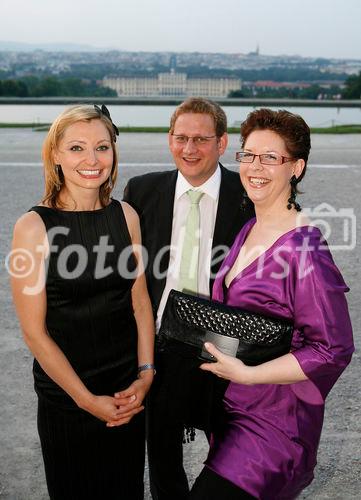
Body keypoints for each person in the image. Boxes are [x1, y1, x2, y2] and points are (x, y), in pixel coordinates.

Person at [189, 108, 355, 500]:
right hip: (231, 412)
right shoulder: (251, 226)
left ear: (296, 168)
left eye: (270, 158)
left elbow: (333, 349)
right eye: (248, 154)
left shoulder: (305, 248)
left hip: (274, 427)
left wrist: (247, 375)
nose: (254, 166)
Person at [10, 104, 155, 500]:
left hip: (126, 390)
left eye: (102, 147)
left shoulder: (127, 216)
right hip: (68, 397)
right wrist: (86, 400)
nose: (92, 160)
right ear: (55, 154)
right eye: (76, 148)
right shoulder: (33, 227)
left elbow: (140, 303)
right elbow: (34, 333)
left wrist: (145, 375)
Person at [123, 97, 254, 500]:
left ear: (222, 142)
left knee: (233, 451)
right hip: (161, 342)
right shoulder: (142, 191)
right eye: (181, 137)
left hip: (226, 346)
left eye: (201, 139)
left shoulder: (247, 193)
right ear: (169, 139)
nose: (189, 149)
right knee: (161, 453)